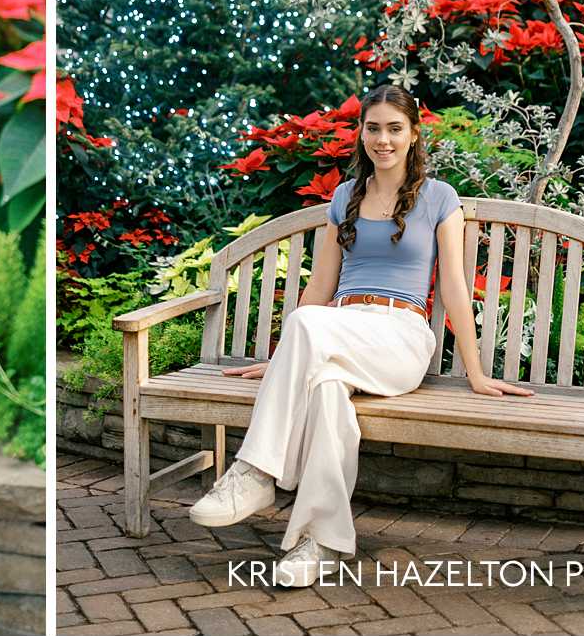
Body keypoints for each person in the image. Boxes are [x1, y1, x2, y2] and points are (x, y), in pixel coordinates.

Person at [186, 83, 532, 585]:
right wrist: (288, 359)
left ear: (414, 135)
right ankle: (320, 543)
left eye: (395, 129)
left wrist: (476, 373)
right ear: (362, 133)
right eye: (373, 128)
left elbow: (455, 287)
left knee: (310, 331)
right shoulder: (345, 196)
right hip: (338, 330)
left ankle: (257, 473)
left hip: (399, 337)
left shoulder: (439, 198)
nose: (383, 139)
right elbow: (321, 285)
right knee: (326, 395)